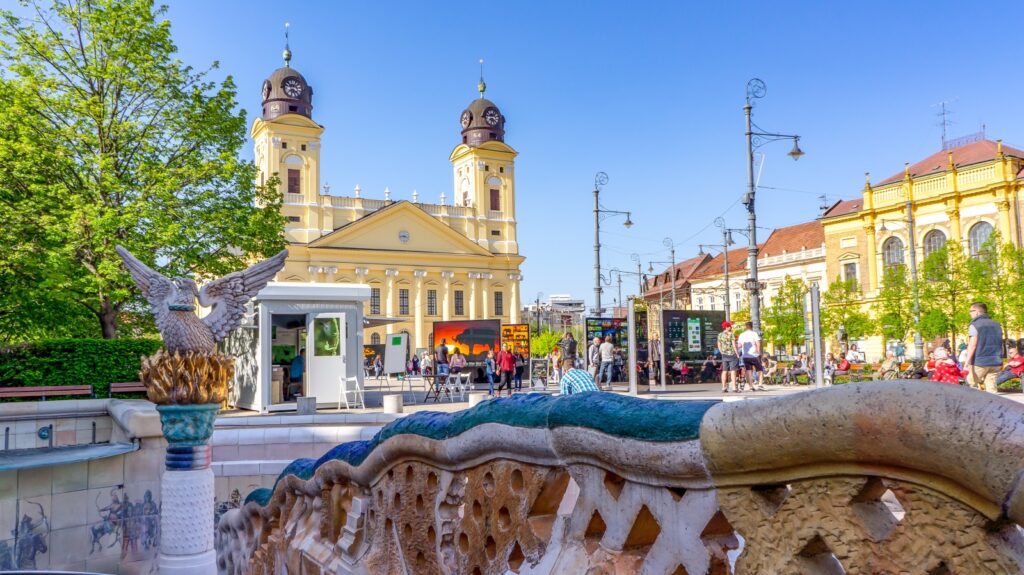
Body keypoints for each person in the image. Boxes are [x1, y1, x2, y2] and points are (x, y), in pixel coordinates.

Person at [964, 302, 1004, 393]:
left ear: (977, 312)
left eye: (971, 311)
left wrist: (967, 362)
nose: (970, 313)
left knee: (970, 384)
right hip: (996, 361)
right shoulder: (997, 324)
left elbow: (972, 345)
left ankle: (972, 406)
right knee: (992, 388)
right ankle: (994, 406)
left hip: (980, 361)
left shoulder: (975, 325)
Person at [737, 322, 765, 391]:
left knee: (748, 371)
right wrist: (758, 352)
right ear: (752, 327)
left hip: (745, 356)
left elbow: (739, 345)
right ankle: (760, 385)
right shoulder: (754, 333)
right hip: (755, 355)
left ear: (745, 327)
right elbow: (758, 343)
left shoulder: (742, 335)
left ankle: (751, 386)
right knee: (760, 370)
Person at [717, 322, 739, 392]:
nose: (731, 327)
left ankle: (723, 387)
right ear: (727, 327)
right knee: (733, 371)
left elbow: (719, 345)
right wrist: (737, 354)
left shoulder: (720, 335)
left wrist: (721, 352)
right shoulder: (731, 334)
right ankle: (734, 388)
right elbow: (734, 345)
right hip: (732, 354)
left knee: (724, 371)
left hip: (724, 355)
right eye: (729, 326)